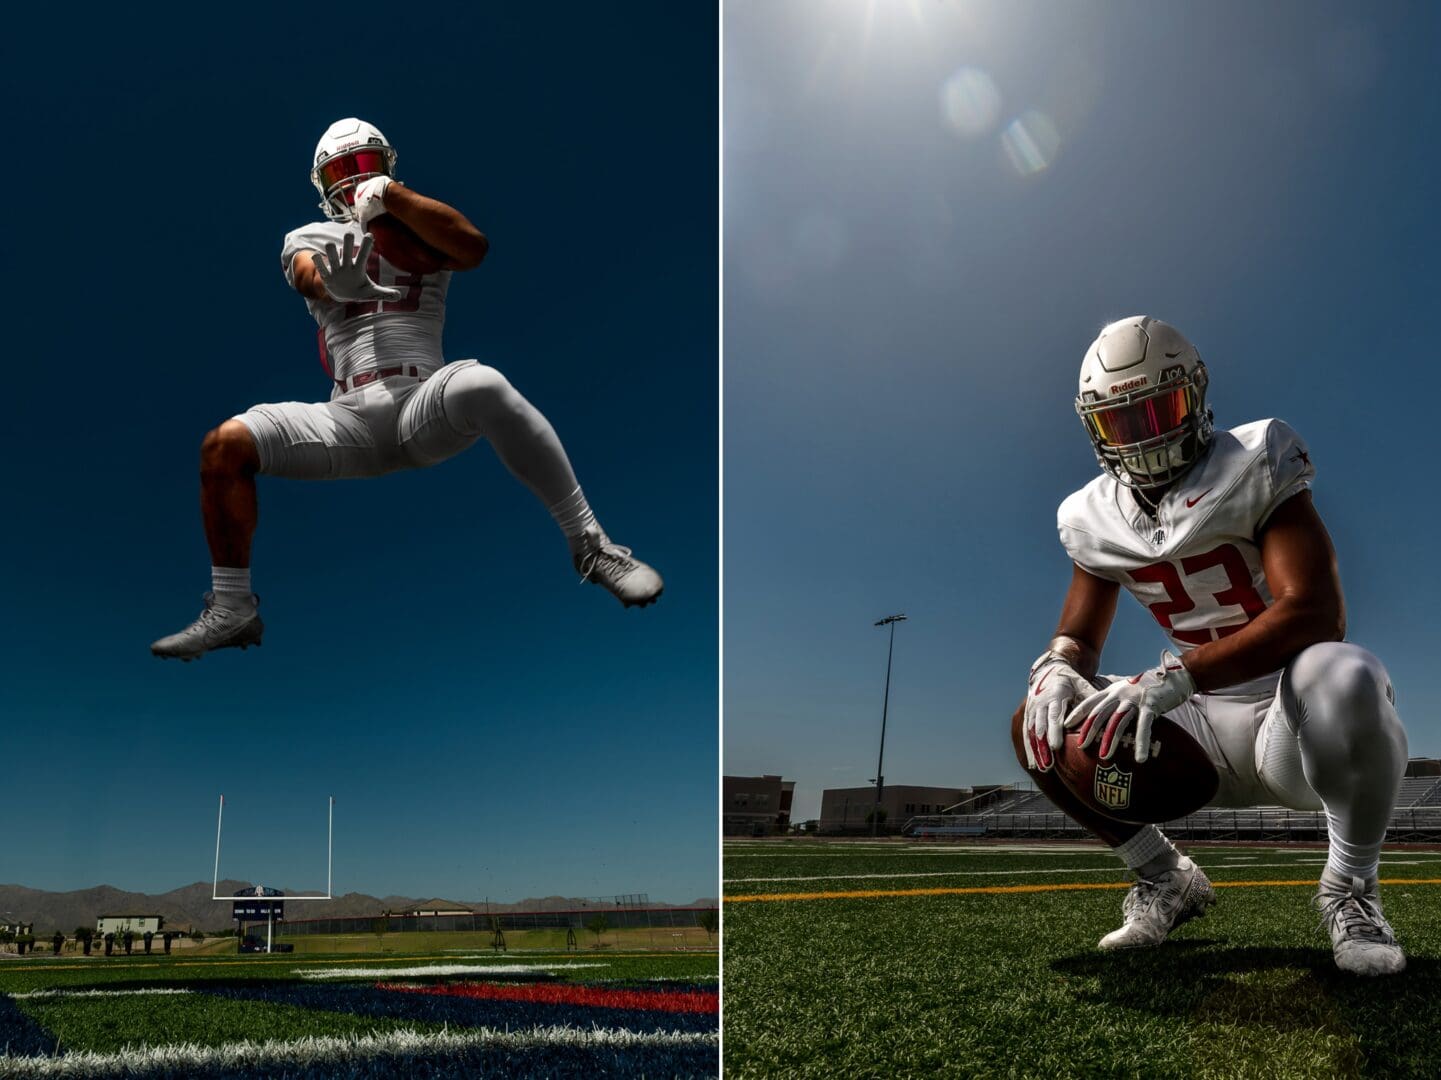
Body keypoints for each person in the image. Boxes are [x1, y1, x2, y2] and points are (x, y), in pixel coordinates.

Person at [151, 119, 662, 660]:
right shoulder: (309, 236)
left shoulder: (420, 228)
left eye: (364, 166)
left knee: (483, 381)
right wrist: (332, 283)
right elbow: (304, 273)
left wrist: (392, 197)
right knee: (224, 445)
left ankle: (592, 546)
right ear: (322, 185)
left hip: (425, 403)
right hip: (346, 417)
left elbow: (473, 248)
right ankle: (233, 608)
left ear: (387, 166)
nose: (354, 181)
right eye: (341, 171)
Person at [1012, 315, 1408, 975]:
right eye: (1121, 422)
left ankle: (1349, 891)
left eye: (1157, 410)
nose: (1142, 436)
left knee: (1344, 672)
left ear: (1194, 397)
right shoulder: (1090, 514)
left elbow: (1313, 610)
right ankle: (1163, 876)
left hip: (1290, 718)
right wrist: (1057, 669)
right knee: (1040, 723)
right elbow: (1078, 636)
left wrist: (1180, 676)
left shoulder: (1254, 458)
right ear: (1093, 429)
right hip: (1193, 721)